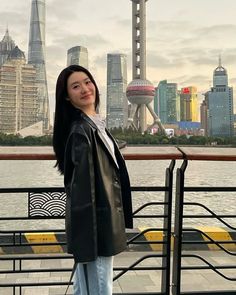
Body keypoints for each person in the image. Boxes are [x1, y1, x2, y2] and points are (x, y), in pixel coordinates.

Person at [52, 65, 133, 295]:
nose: (85, 89)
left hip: (101, 223)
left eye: (87, 82)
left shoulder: (95, 124)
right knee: (99, 288)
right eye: (76, 86)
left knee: (88, 287)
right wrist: (88, 242)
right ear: (67, 96)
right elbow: (82, 192)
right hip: (96, 228)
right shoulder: (81, 131)